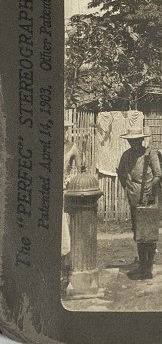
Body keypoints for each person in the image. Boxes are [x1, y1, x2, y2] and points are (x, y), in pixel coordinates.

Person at [114, 125, 162, 280]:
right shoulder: (126, 155)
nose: (134, 144)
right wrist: (129, 187)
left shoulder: (150, 154)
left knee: (150, 231)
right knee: (138, 231)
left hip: (149, 195)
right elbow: (121, 173)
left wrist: (151, 184)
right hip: (134, 195)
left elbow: (158, 174)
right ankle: (142, 264)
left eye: (137, 141)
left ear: (142, 140)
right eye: (131, 141)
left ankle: (148, 266)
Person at [61, 119, 83, 293]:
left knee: (65, 232)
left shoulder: (72, 148)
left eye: (64, 129)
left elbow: (81, 170)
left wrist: (71, 181)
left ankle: (66, 273)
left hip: (65, 192)